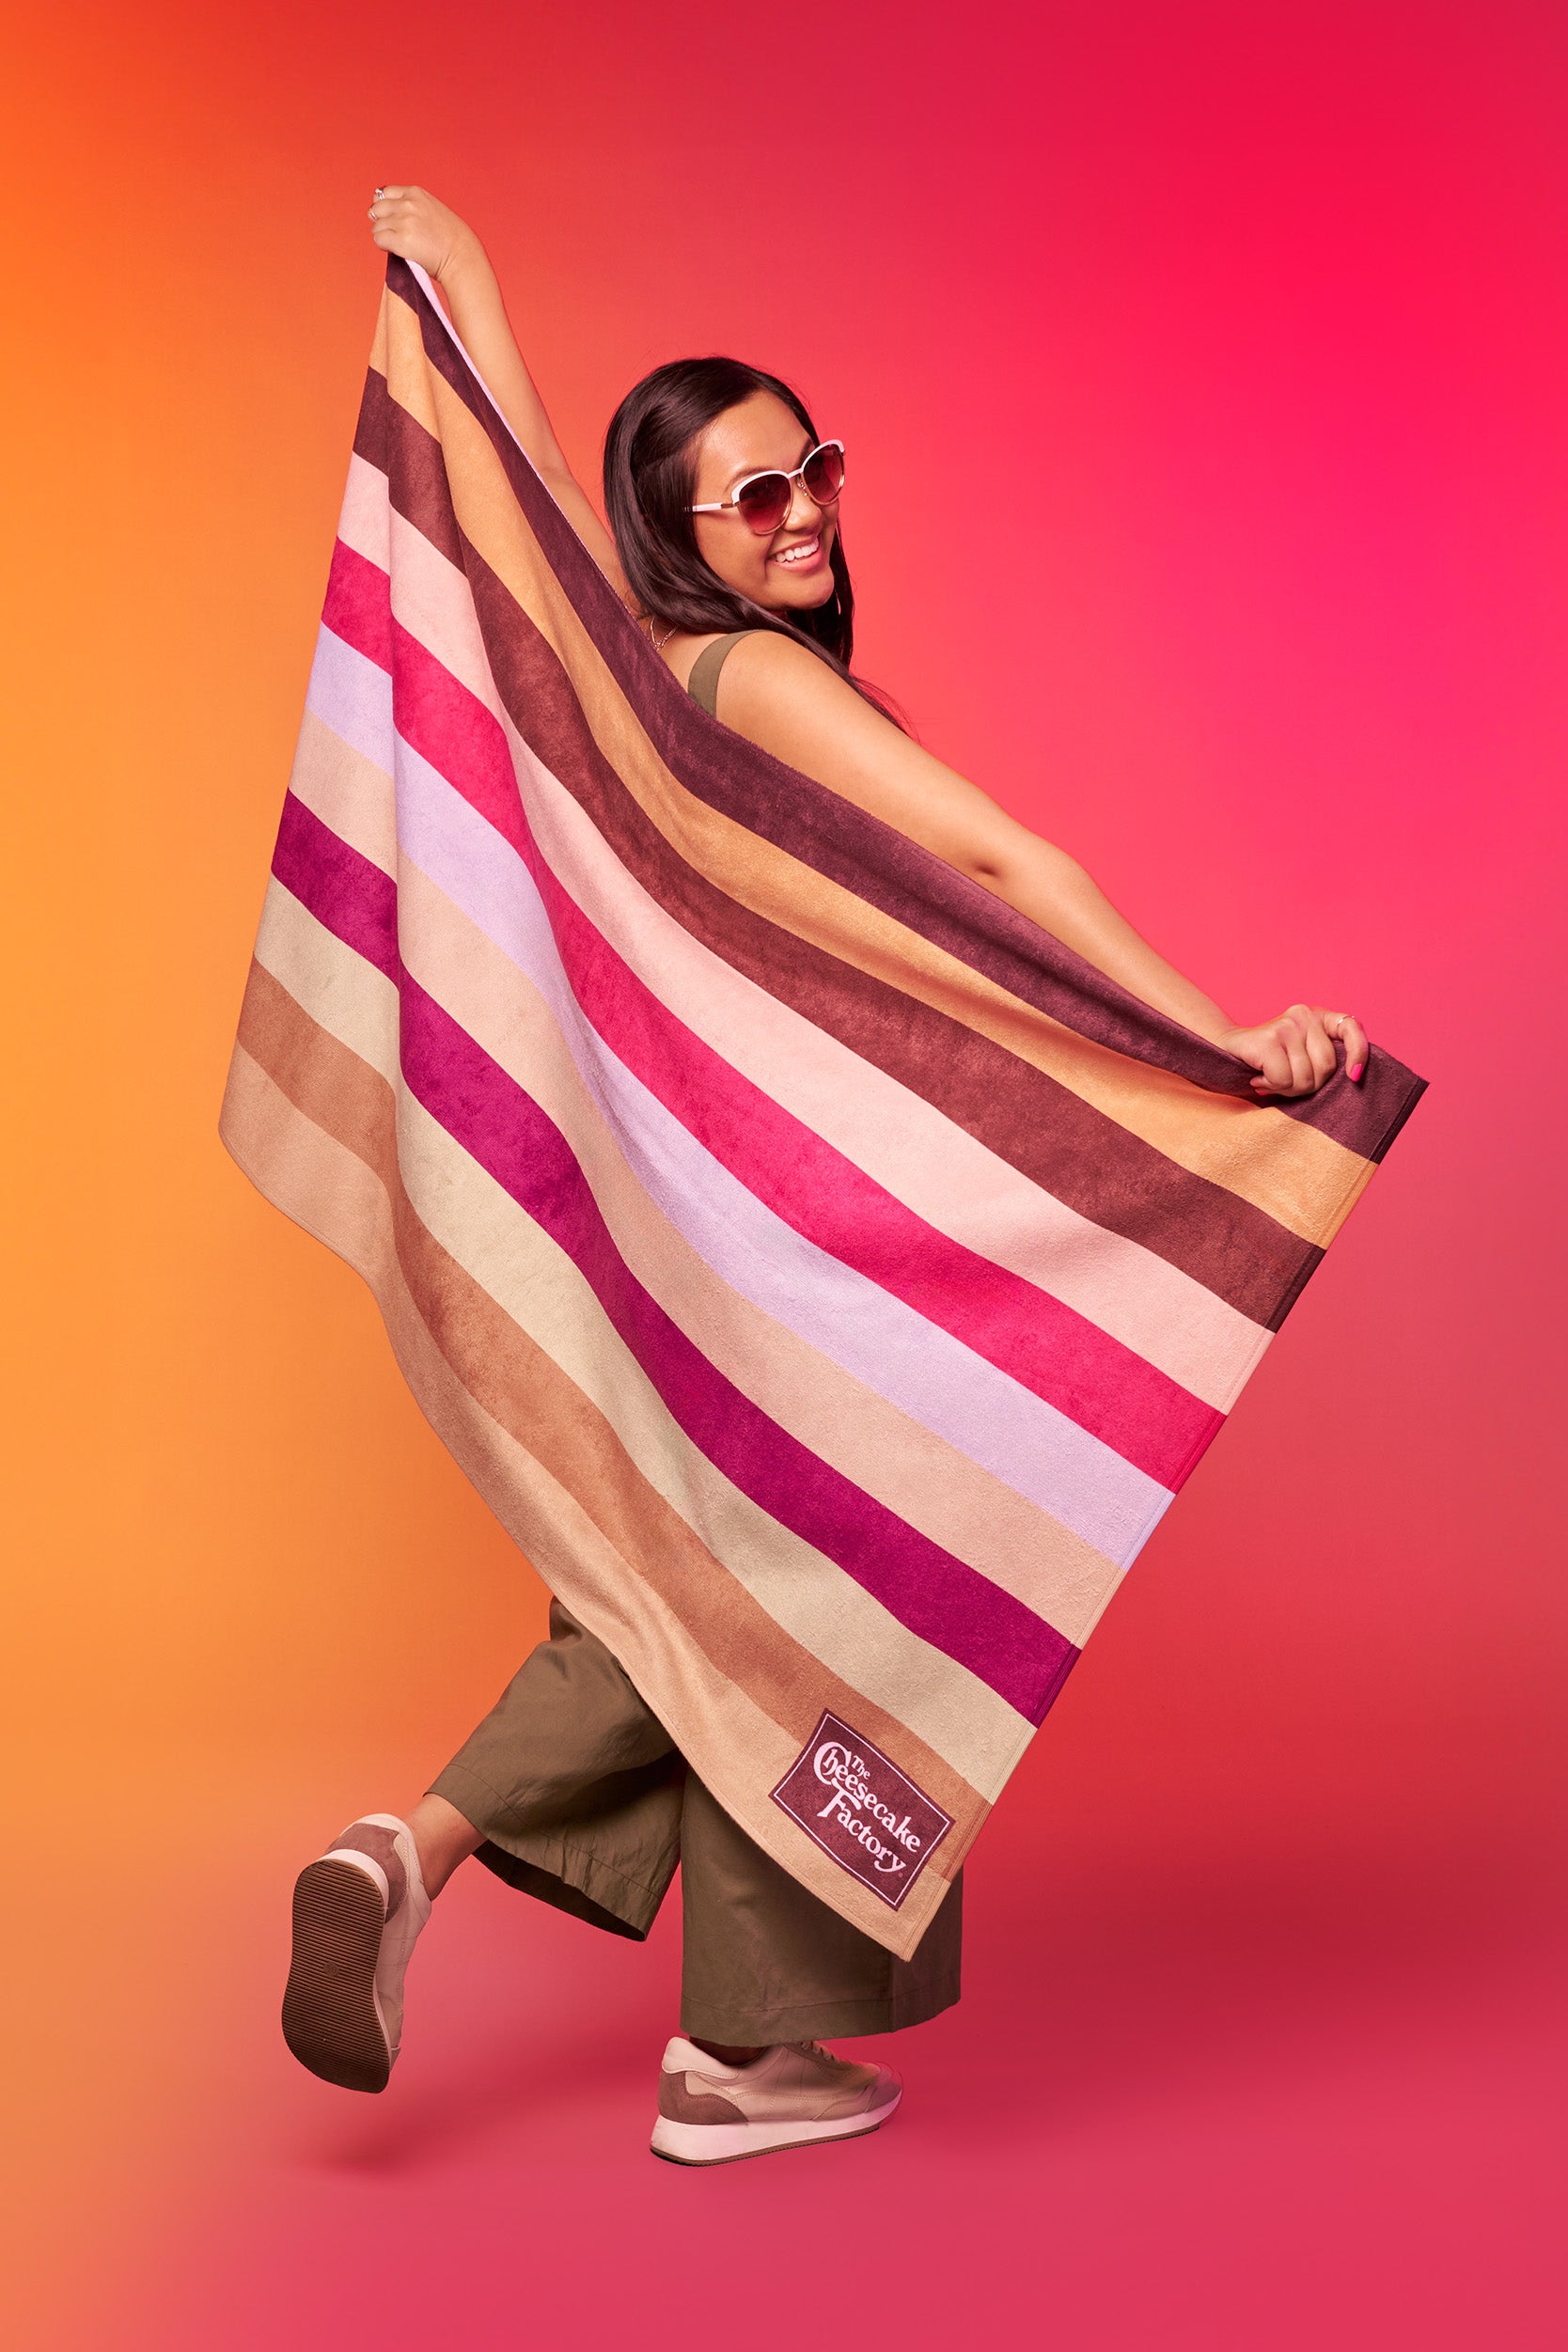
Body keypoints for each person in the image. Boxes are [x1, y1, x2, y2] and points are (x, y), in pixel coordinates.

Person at [281, 185, 1369, 2169]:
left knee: (704, 1614)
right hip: (804, 1269)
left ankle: (694, 2032)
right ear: (679, 540)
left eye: (815, 471)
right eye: (751, 496)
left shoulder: (636, 692)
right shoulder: (756, 686)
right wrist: (1220, 1047)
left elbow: (526, 528)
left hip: (687, 1261)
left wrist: (478, 308)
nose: (801, 516)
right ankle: (451, 1868)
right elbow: (1012, 869)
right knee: (814, 1606)